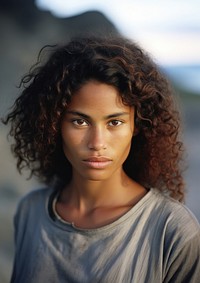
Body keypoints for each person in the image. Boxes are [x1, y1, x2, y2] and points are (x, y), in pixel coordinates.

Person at [3, 36, 200, 283]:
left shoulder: (173, 230)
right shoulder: (30, 212)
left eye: (114, 122)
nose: (97, 143)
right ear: (54, 126)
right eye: (80, 121)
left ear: (136, 126)